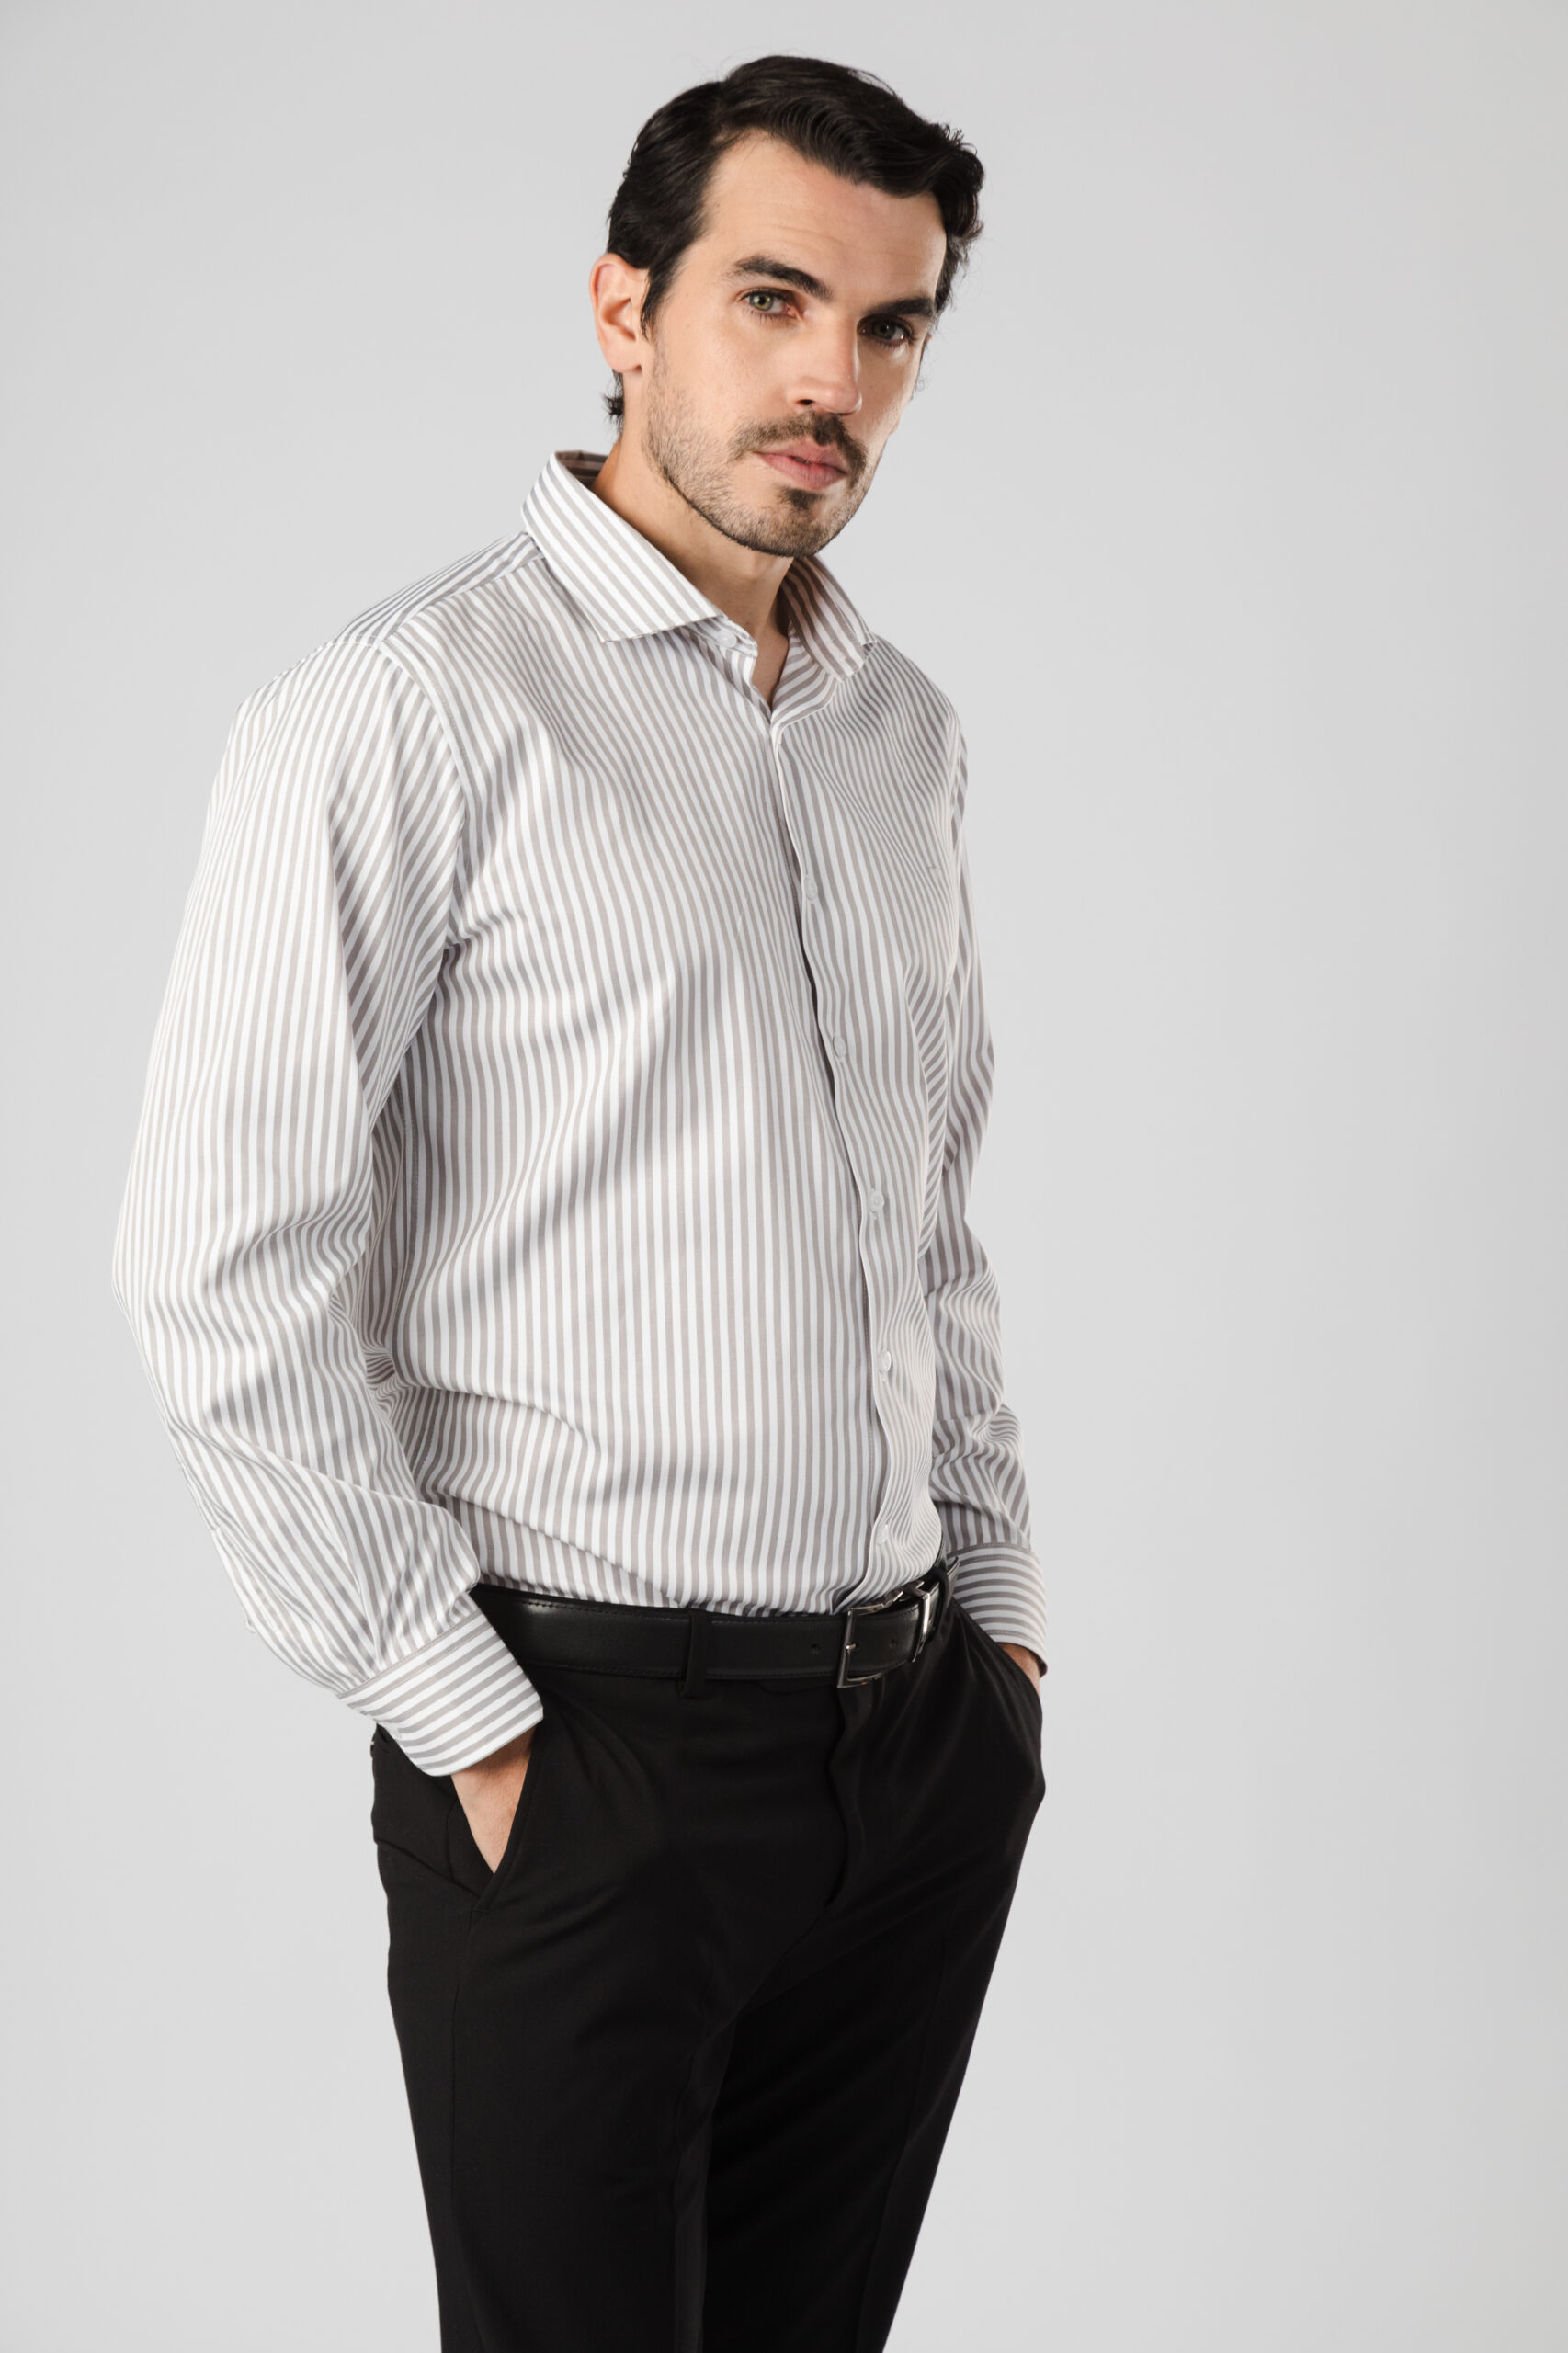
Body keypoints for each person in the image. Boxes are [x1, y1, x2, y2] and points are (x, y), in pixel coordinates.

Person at [113, 51, 1048, 2353]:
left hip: (909, 1745)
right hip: (585, 1741)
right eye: (773, 300)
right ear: (624, 307)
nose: (834, 380)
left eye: (892, 326)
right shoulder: (406, 707)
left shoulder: (901, 736)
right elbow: (220, 1266)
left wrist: (998, 1633)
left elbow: (928, 1214)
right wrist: (465, 1711)